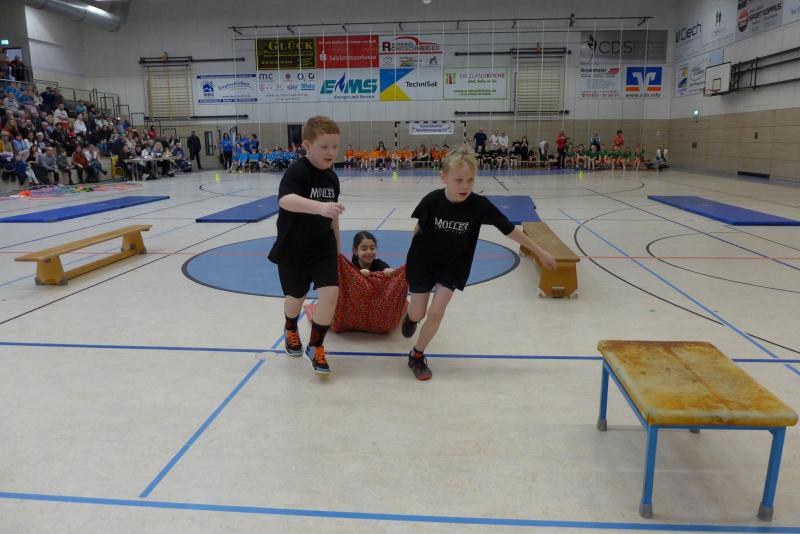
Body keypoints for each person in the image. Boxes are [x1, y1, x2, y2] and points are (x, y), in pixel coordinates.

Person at [400, 145, 557, 380]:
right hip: (423, 262)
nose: (465, 186)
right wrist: (410, 259)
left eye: (470, 180)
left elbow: (508, 229)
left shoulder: (478, 205)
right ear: (444, 177)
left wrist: (539, 251)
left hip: (453, 265)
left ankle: (417, 354)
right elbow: (419, 228)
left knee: (437, 311)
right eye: (459, 180)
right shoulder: (432, 201)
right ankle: (411, 318)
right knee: (418, 312)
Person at [267, 116, 345, 376]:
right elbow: (285, 200)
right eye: (324, 147)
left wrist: (337, 244)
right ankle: (291, 327)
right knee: (295, 298)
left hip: (323, 246)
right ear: (307, 145)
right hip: (294, 247)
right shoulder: (297, 171)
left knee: (330, 295)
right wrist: (319, 207)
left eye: (335, 146)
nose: (331, 152)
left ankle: (316, 345)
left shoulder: (332, 177)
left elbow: (332, 213)